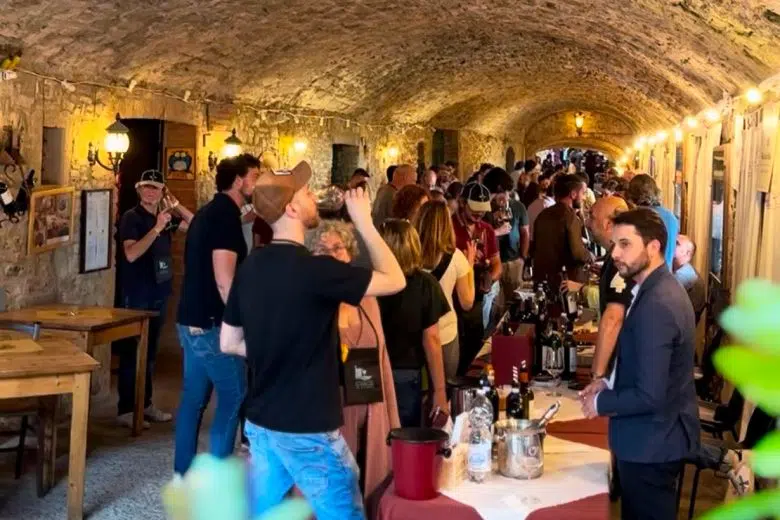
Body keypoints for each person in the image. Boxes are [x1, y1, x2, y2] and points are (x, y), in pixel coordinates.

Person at [220, 163, 406, 520]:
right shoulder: (316, 271)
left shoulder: (252, 265)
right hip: (307, 427)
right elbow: (395, 279)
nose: (312, 196)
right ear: (291, 208)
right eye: (305, 193)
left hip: (261, 421)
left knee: (263, 512)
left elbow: (229, 342)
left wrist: (276, 349)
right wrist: (364, 222)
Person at [580, 208, 700, 520]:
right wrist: (607, 381)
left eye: (625, 244)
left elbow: (650, 394)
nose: (616, 254)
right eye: (613, 245)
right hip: (653, 437)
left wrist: (601, 402)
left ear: (653, 247)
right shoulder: (654, 288)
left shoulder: (658, 303)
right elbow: (644, 361)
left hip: (652, 443)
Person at [174, 153, 259, 474]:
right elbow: (225, 281)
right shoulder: (224, 216)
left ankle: (183, 475)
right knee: (234, 396)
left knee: (193, 401)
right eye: (255, 176)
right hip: (211, 324)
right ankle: (219, 484)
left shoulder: (209, 212)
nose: (258, 182)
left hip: (190, 320)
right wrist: (243, 322)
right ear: (239, 180)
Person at [306, 220, 400, 499]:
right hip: (327, 410)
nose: (333, 254)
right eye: (323, 249)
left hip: (369, 403)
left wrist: (391, 416)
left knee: (367, 485)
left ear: (349, 254)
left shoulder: (367, 298)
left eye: (339, 248)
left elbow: (382, 358)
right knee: (333, 490)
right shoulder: (310, 302)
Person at [116, 169, 194, 428]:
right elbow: (131, 254)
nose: (151, 191)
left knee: (149, 354)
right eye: (146, 187)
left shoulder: (165, 216)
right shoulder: (132, 218)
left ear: (162, 192)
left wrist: (176, 205)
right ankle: (126, 409)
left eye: (156, 188)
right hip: (137, 294)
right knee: (132, 352)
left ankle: (145, 404)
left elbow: (195, 224)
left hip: (158, 293)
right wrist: (157, 229)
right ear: (139, 190)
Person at [377, 219, 450, 427]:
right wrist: (440, 392)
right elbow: (432, 340)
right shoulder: (425, 284)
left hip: (371, 370)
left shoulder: (372, 282)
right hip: (405, 373)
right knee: (404, 440)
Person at [416, 200, 475, 380]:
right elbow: (467, 302)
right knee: (444, 390)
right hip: (445, 333)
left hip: (415, 334)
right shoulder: (456, 258)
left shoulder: (410, 256)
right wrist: (470, 264)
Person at [452, 182, 501, 375]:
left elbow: (498, 264)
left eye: (482, 210)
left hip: (477, 296)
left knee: (474, 346)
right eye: (475, 209)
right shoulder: (450, 227)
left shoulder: (487, 230)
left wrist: (491, 277)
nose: (479, 214)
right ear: (462, 203)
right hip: (454, 297)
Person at [482, 167, 529, 319]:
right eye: (503, 192)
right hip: (490, 264)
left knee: (513, 303)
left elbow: (525, 233)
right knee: (494, 305)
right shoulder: (483, 209)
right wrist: (496, 231)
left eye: (508, 192)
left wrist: (523, 257)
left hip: (513, 262)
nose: (506, 197)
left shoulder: (517, 207)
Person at [532, 174, 592, 287]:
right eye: (583, 193)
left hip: (542, 278)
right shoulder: (570, 217)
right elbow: (577, 253)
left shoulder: (543, 214)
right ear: (573, 194)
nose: (584, 198)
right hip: (564, 281)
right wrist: (589, 256)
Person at [626, 174, 678, 268]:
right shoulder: (671, 217)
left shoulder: (637, 217)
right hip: (666, 276)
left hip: (644, 277)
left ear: (631, 195)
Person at [673, 234, 706, 321]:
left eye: (676, 243)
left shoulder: (686, 275)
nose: (671, 244)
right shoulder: (681, 269)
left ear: (687, 253)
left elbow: (662, 295)